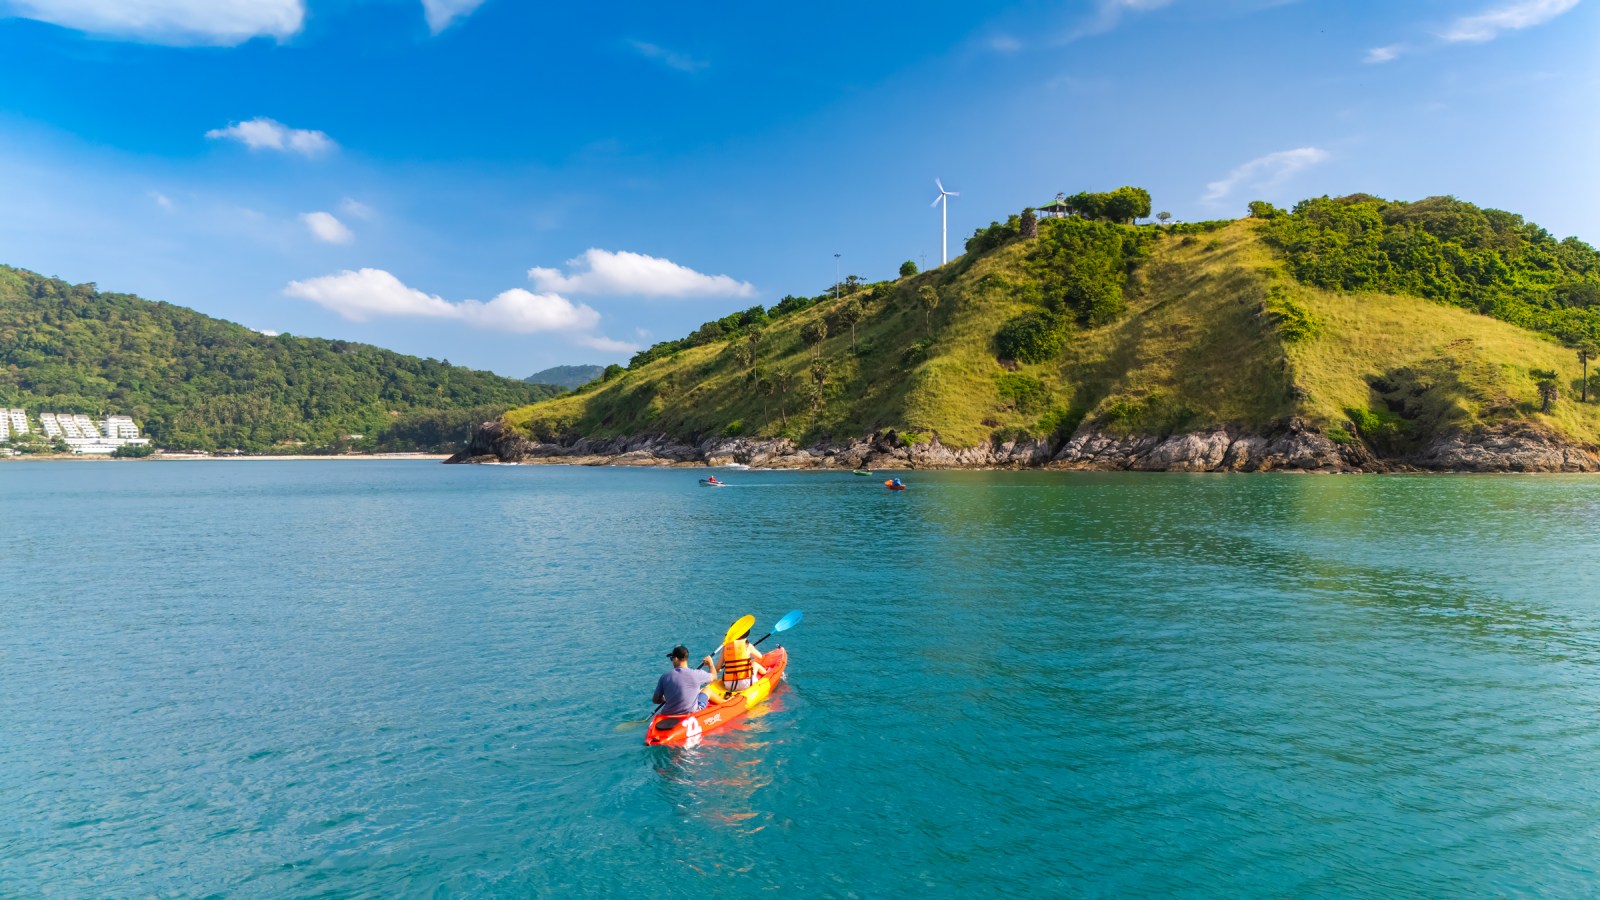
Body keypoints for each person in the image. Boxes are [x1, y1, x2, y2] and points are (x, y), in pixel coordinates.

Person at [654, 645, 717, 715]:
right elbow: (714, 677)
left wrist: (665, 699)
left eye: (671, 658)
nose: (672, 661)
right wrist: (710, 664)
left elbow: (655, 700)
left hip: (668, 714)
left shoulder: (664, 677)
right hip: (691, 712)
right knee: (707, 690)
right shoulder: (696, 674)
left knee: (698, 691)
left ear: (675, 659)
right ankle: (726, 704)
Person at [719, 627, 767, 692]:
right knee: (755, 664)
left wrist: (720, 668)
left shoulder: (725, 647)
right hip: (746, 683)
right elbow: (759, 657)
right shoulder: (748, 645)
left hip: (729, 685)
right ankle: (767, 673)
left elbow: (717, 668)